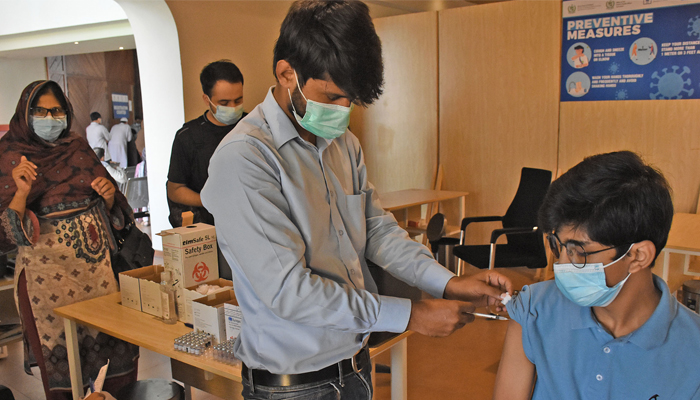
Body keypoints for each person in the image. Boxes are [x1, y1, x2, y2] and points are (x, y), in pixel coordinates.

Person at [201, 2, 512, 399]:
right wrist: (411, 314)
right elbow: (289, 292)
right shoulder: (245, 158)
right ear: (286, 73)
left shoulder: (341, 144)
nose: (342, 112)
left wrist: (448, 283)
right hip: (293, 386)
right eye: (331, 96)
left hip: (354, 365)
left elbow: (377, 231)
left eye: (351, 101)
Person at [493, 151, 700, 399]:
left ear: (638, 256)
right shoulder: (534, 309)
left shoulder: (692, 348)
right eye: (558, 246)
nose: (560, 265)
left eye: (578, 251)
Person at [0, 80, 139, 398]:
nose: (51, 117)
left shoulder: (76, 146)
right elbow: (6, 235)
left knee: (111, 357)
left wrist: (106, 199)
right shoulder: (9, 156)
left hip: (99, 277)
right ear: (26, 112)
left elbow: (116, 212)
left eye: (58, 110)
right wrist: (22, 192)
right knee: (65, 368)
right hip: (47, 287)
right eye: (41, 110)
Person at [167, 60, 246, 228]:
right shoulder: (188, 137)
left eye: (238, 100)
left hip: (249, 224)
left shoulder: (254, 126)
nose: (233, 107)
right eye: (224, 103)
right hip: (208, 230)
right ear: (207, 99)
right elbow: (175, 190)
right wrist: (210, 201)